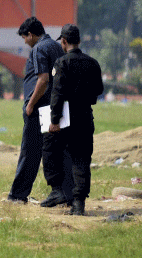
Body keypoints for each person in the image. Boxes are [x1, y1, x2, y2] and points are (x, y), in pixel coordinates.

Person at [7, 17, 74, 205]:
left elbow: (43, 79)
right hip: (57, 106)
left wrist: (30, 104)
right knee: (56, 151)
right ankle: (63, 193)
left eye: (24, 38)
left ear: (30, 34)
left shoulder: (39, 49)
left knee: (30, 151)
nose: (25, 42)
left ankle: (18, 195)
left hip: (40, 108)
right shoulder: (56, 46)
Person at [41, 24, 103, 215]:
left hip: (66, 118)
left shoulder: (61, 63)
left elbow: (57, 93)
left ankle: (58, 191)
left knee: (50, 149)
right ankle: (78, 203)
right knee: (82, 158)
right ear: (80, 40)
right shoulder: (93, 63)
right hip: (85, 116)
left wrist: (54, 119)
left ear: (64, 41)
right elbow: (99, 90)